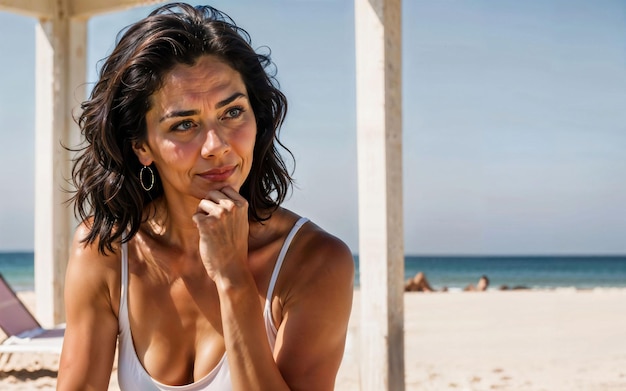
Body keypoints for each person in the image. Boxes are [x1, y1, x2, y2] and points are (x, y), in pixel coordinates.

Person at [56, 3, 354, 390]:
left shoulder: (314, 262)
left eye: (232, 113)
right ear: (142, 147)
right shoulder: (108, 252)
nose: (216, 146)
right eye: (184, 124)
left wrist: (233, 279)